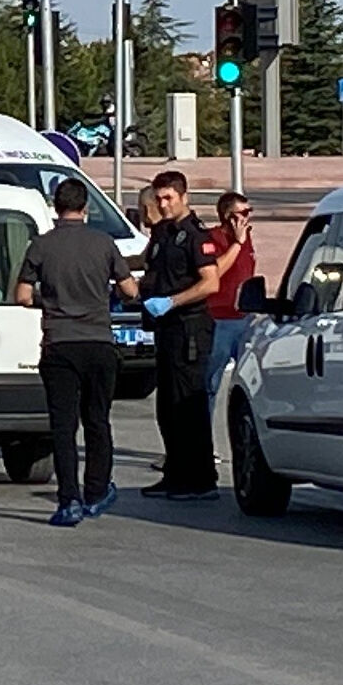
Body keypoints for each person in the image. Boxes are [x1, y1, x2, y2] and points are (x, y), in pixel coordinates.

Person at [15, 177, 140, 526]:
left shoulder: (41, 246)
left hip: (59, 344)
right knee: (97, 420)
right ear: (86, 208)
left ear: (56, 208)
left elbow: (22, 296)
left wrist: (51, 300)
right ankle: (97, 492)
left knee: (63, 425)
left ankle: (68, 499)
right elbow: (129, 290)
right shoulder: (104, 243)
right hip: (98, 342)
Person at [136, 171, 222, 500]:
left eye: (169, 198)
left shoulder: (195, 235)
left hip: (190, 327)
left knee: (189, 405)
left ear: (184, 197)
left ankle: (200, 480)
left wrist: (171, 301)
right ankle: (175, 474)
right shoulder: (164, 234)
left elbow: (210, 282)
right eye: (159, 198)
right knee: (168, 406)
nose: (163, 204)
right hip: (167, 328)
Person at [199, 190, 255, 402]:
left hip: (244, 318)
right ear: (227, 217)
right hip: (220, 319)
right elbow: (215, 272)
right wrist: (237, 244)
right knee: (211, 381)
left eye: (249, 212)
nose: (246, 218)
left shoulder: (246, 239)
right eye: (241, 213)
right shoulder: (213, 239)